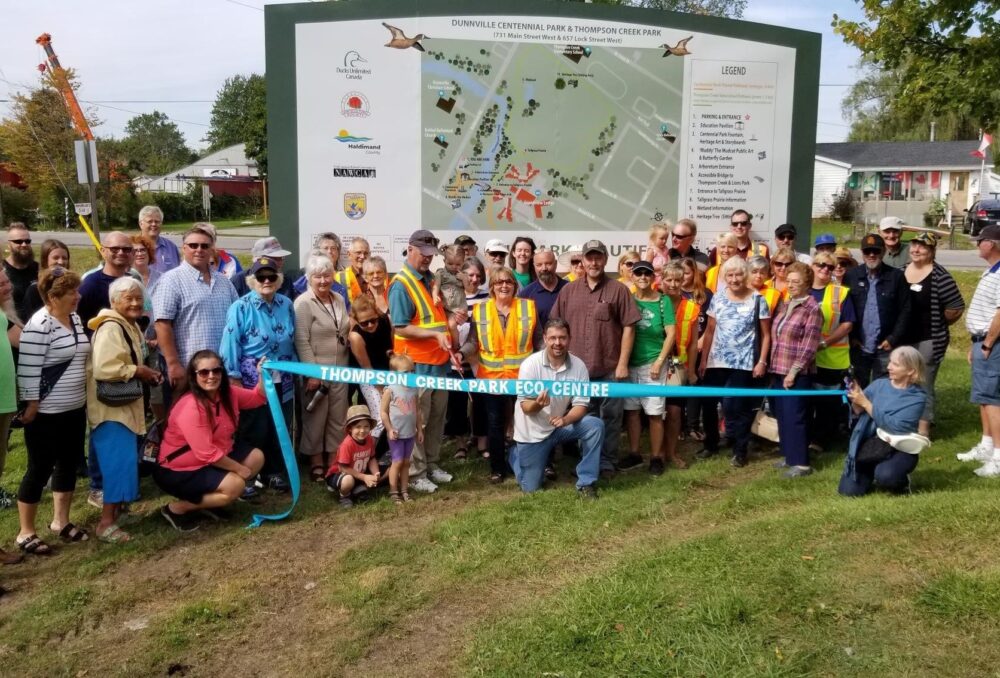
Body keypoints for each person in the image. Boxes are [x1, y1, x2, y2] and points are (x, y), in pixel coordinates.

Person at [15, 267, 91, 554]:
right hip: (46, 411)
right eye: (71, 292)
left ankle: (61, 521)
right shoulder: (39, 325)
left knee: (68, 462)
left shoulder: (73, 317)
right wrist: (32, 404)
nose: (78, 296)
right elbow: (28, 369)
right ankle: (26, 531)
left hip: (74, 406)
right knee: (40, 466)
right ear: (52, 296)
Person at [552, 239, 640, 476]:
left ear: (605, 259)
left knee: (611, 419)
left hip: (611, 368)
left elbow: (630, 327)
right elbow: (556, 327)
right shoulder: (568, 291)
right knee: (584, 419)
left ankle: (607, 462)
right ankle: (587, 462)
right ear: (582, 260)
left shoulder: (618, 290)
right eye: (589, 257)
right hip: (578, 370)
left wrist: (623, 364)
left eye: (598, 257)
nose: (593, 262)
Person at [154, 351, 267, 531]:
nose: (211, 376)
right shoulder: (190, 405)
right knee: (235, 486)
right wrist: (239, 469)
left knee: (256, 457)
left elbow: (258, 398)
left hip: (211, 458)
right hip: (179, 469)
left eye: (216, 371)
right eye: (204, 372)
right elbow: (207, 453)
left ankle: (212, 503)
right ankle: (176, 509)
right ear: (193, 375)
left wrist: (262, 373)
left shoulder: (228, 393)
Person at [87, 277, 162, 543]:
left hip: (123, 408)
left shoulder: (127, 325)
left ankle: (116, 514)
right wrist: (138, 371)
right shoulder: (111, 328)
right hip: (111, 412)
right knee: (116, 464)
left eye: (138, 298)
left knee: (124, 461)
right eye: (128, 298)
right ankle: (105, 524)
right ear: (113, 301)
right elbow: (105, 368)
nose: (134, 303)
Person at [387, 229, 458, 493]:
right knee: (418, 422)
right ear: (410, 249)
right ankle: (416, 472)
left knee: (437, 419)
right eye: (424, 254)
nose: (428, 259)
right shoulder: (401, 284)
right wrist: (434, 334)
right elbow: (400, 327)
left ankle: (432, 463)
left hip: (440, 364)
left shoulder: (431, 279)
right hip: (415, 367)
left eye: (432, 254)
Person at [219, 256, 297, 494]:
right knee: (254, 427)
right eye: (260, 277)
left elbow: (292, 339)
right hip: (252, 380)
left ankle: (274, 472)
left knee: (279, 426)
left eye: (271, 276)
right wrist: (233, 376)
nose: (266, 280)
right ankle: (249, 477)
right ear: (252, 280)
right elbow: (230, 343)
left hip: (283, 377)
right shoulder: (240, 307)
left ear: (278, 279)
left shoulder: (286, 304)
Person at [509, 318, 603, 497]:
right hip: (532, 433)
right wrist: (537, 404)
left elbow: (581, 405)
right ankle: (514, 454)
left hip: (559, 425)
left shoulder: (579, 366)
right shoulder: (530, 364)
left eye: (562, 338)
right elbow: (526, 407)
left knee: (594, 425)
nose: (557, 343)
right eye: (552, 338)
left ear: (569, 339)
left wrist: (565, 419)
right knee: (531, 489)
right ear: (545, 339)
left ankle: (586, 482)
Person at [463, 267, 540, 483]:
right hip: (492, 378)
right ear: (492, 287)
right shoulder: (480, 310)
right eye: (499, 282)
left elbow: (540, 339)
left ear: (515, 286)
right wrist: (461, 353)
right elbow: (472, 342)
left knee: (527, 421)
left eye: (508, 282)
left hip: (523, 377)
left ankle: (529, 463)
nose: (504, 285)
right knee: (495, 424)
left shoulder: (528, 307)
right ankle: (497, 468)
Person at [698, 256, 771, 468]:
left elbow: (766, 335)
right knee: (709, 403)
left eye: (738, 274)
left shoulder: (758, 299)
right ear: (724, 277)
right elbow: (710, 330)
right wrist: (704, 360)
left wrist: (762, 361)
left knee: (735, 405)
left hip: (743, 363)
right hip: (715, 360)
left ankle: (740, 450)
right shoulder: (718, 298)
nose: (734, 279)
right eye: (730, 275)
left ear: (745, 275)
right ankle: (710, 444)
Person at [154, 226, 238, 391]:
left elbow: (236, 321)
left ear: (212, 249)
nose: (199, 250)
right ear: (184, 248)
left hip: (220, 370)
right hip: (188, 370)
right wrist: (173, 364)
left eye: (205, 246)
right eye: (193, 245)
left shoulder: (224, 281)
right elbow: (162, 324)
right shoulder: (171, 280)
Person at [838, 346, 927, 496]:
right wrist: (856, 396)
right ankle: (872, 471)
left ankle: (900, 482)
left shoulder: (917, 397)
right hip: (870, 445)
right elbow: (858, 410)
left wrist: (866, 403)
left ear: (911, 370)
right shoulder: (879, 384)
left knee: (887, 476)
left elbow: (896, 426)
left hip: (898, 448)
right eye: (890, 362)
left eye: (896, 364)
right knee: (848, 492)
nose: (889, 367)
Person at [295, 253, 352, 482]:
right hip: (317, 371)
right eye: (318, 276)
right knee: (315, 418)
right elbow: (301, 339)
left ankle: (334, 460)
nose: (323, 281)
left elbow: (345, 328)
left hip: (341, 368)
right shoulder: (303, 303)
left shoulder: (338, 298)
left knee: (338, 417)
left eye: (327, 275)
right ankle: (316, 461)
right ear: (309, 278)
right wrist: (312, 372)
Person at [903, 232, 965, 436]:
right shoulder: (901, 271)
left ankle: (923, 431)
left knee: (923, 383)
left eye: (922, 247)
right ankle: (906, 423)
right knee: (904, 381)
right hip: (903, 338)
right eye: (914, 245)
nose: (916, 250)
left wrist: (940, 322)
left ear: (931, 251)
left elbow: (956, 307)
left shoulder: (940, 276)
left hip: (929, 339)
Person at [768, 262, 823, 477]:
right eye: (788, 281)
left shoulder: (812, 309)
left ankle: (801, 463)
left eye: (796, 282)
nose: (790, 285)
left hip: (796, 373)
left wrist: (793, 372)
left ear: (807, 284)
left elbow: (809, 346)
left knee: (796, 416)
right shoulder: (786, 303)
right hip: (778, 368)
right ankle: (788, 456)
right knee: (782, 415)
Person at [623, 261, 675, 474]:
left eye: (647, 273)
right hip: (629, 364)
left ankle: (655, 458)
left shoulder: (663, 301)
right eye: (638, 273)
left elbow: (670, 333)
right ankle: (635, 453)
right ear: (632, 277)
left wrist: (659, 361)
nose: (643, 277)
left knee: (654, 413)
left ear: (653, 277)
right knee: (632, 411)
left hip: (652, 363)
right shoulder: (627, 299)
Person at [958, 225, 1000, 474]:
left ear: (992, 244)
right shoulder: (991, 271)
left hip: (991, 343)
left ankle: (998, 457)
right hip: (982, 341)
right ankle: (987, 444)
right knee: (984, 397)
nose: (976, 244)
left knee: (993, 399)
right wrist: (976, 344)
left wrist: (986, 343)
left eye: (980, 240)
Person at [843, 233, 911, 388]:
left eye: (876, 251)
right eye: (867, 251)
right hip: (859, 346)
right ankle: (858, 413)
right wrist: (852, 337)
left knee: (884, 388)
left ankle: (879, 413)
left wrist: (893, 338)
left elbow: (906, 311)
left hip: (884, 346)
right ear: (862, 253)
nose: (872, 255)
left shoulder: (897, 277)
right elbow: (846, 309)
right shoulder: (851, 276)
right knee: (857, 389)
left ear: (883, 251)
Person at [809, 252, 856, 445]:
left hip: (831, 358)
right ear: (812, 265)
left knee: (826, 405)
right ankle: (807, 438)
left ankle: (822, 442)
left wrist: (824, 344)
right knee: (805, 401)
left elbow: (847, 324)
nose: (825, 269)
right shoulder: (799, 288)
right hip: (804, 359)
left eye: (830, 266)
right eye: (821, 265)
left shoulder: (840, 292)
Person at [450, 257, 489, 459]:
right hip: (454, 359)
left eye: (478, 275)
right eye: (470, 275)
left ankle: (482, 441)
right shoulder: (451, 297)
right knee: (457, 402)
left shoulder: (487, 296)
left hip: (479, 359)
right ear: (461, 275)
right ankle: (460, 443)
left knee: (480, 400)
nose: (474, 279)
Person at [660, 261, 696, 469]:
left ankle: (671, 452)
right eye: (669, 279)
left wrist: (691, 370)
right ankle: (655, 451)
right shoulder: (654, 302)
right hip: (653, 365)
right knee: (653, 412)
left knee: (674, 412)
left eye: (677, 280)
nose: (673, 284)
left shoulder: (691, 307)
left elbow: (692, 344)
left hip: (677, 366)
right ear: (662, 280)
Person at [678, 257, 714, 444]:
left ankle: (692, 425)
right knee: (678, 388)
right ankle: (679, 426)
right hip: (677, 350)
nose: (683, 277)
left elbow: (711, 323)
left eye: (687, 272)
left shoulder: (705, 294)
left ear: (694, 273)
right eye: (680, 272)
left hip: (698, 348)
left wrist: (700, 341)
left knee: (694, 387)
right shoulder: (673, 294)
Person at [348, 294, 392, 438]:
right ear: (356, 320)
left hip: (390, 372)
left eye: (373, 320)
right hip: (370, 378)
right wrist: (381, 389)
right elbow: (367, 369)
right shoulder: (356, 336)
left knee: (395, 415)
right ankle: (370, 454)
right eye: (364, 323)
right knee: (379, 418)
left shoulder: (386, 321)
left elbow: (392, 348)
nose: (370, 325)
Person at [380, 353, 421, 504]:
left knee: (406, 462)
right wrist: (390, 429)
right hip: (396, 434)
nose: (410, 375)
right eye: (405, 372)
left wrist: (420, 430)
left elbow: (417, 410)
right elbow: (383, 412)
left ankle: (404, 490)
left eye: (412, 371)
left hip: (410, 433)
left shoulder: (414, 389)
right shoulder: (390, 390)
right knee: (396, 462)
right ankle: (393, 491)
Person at [78, 231, 137, 334]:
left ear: (132, 253)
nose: (121, 252)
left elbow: (145, 309)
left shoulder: (135, 282)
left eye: (126, 249)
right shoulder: (90, 284)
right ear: (103, 250)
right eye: (114, 249)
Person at [327, 404, 381, 509]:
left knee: (363, 491)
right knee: (348, 481)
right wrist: (364, 477)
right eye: (358, 427)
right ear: (350, 428)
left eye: (366, 426)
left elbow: (372, 458)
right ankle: (344, 495)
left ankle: (357, 489)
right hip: (339, 473)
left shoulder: (369, 439)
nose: (362, 430)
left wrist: (376, 473)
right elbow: (343, 468)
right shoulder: (347, 444)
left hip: (357, 473)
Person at [0, 270, 21, 509]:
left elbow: (24, 339)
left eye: (7, 282)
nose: (7, 287)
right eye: (1, 284)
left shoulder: (4, 315)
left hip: (5, 396)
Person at [233, 237, 297, 300]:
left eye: (281, 258)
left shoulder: (286, 280)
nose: (280, 263)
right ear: (258, 259)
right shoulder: (239, 281)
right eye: (275, 259)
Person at [518, 248, 568, 328]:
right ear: (534, 266)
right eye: (539, 265)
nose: (544, 268)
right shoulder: (525, 295)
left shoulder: (569, 289)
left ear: (555, 264)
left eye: (548, 263)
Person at [22, 239, 70, 319]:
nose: (61, 262)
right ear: (45, 261)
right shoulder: (35, 290)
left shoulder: (72, 288)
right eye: (56, 258)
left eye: (64, 258)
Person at [3, 223, 38, 322]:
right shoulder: (2, 272)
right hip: (12, 330)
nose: (24, 245)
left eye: (27, 241)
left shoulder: (39, 269)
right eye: (18, 241)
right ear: (9, 244)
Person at [138, 205, 180, 274]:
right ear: (141, 224)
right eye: (150, 221)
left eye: (157, 221)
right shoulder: (131, 246)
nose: (154, 224)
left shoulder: (171, 247)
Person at [334, 237, 370, 303]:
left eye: (366, 253)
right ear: (349, 254)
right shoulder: (339, 277)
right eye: (358, 252)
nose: (362, 256)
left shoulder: (377, 276)